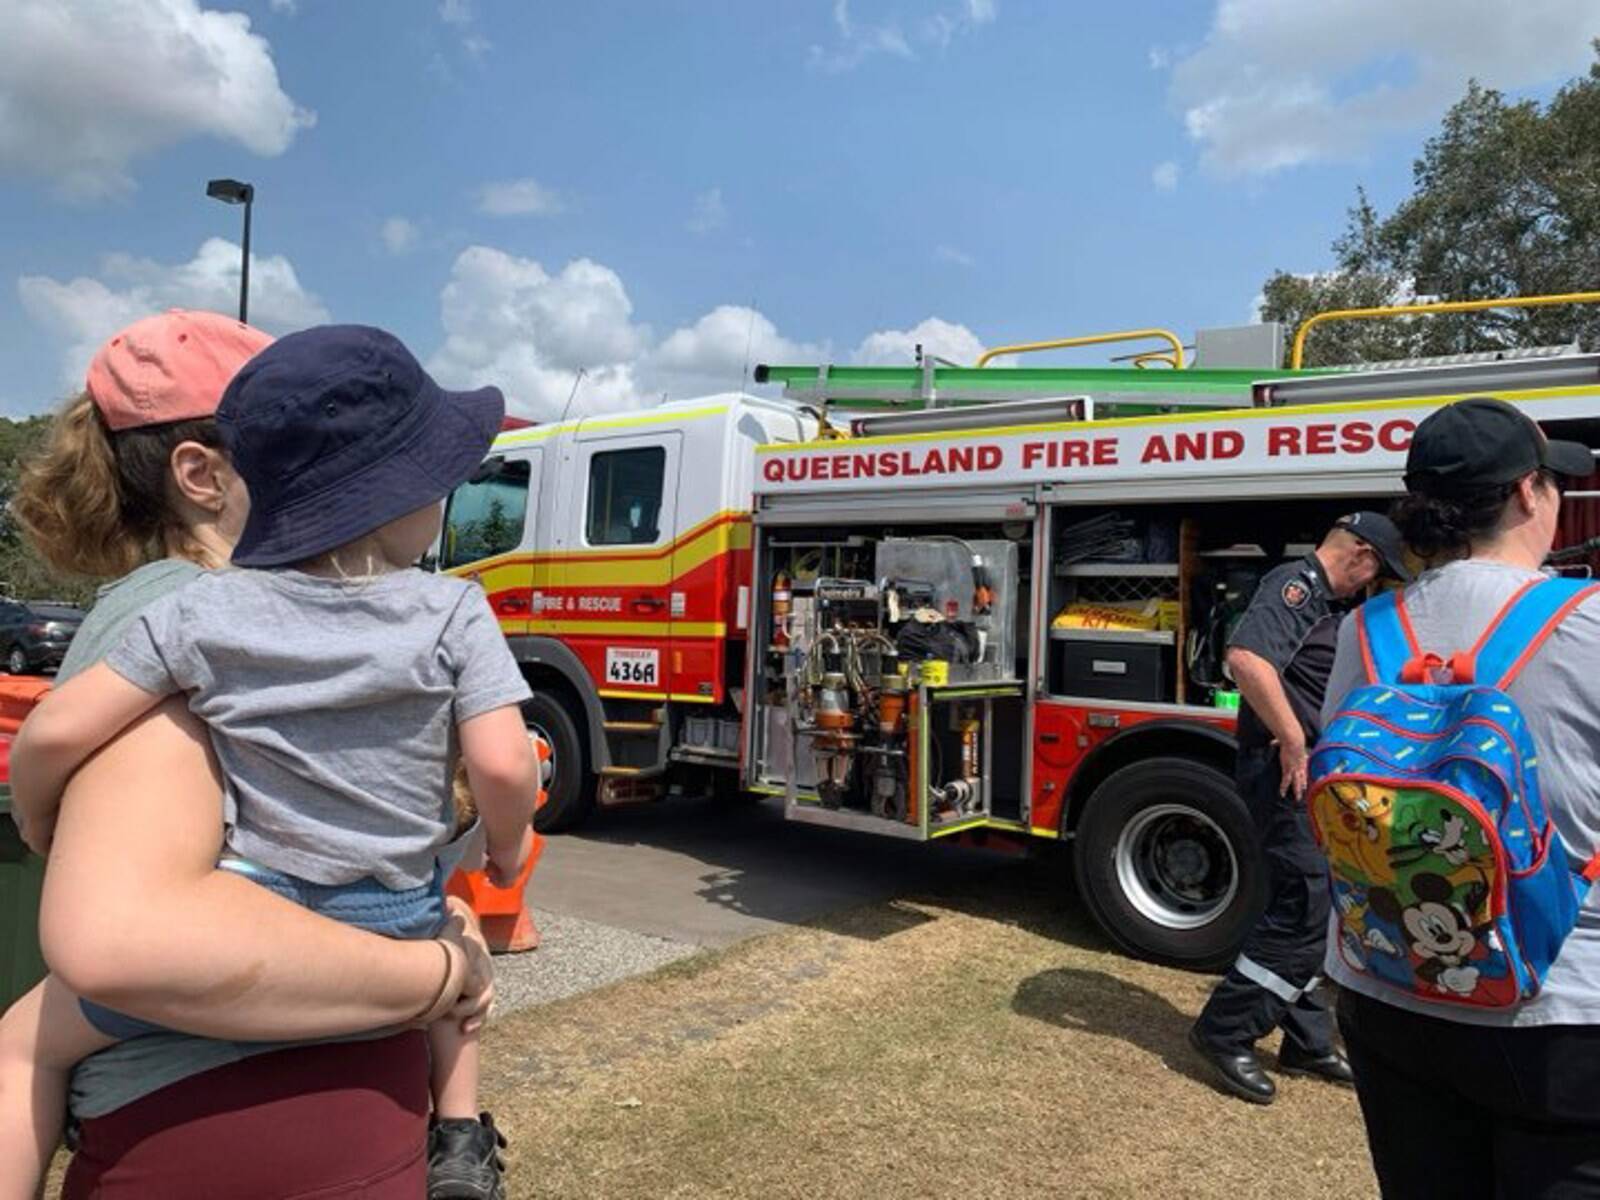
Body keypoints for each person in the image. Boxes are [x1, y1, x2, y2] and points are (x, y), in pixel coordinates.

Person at [5, 323, 537, 1200]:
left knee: (23, 1040)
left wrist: (34, 808)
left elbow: (56, 732)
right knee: (451, 925)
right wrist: (479, 909)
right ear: (199, 474)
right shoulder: (451, 610)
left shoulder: (195, 618)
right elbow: (507, 767)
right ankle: (460, 1136)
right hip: (384, 931)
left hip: (265, 904)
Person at [1323, 399, 1600, 1197]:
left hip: (1390, 988)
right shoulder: (1586, 621)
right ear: (1525, 493)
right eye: (1554, 483)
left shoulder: (1366, 629)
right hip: (1559, 1013)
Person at [1189, 511, 1411, 1104]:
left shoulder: (1324, 603)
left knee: (1324, 902)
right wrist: (1292, 739)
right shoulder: (1296, 585)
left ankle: (1307, 1039)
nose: (1371, 585)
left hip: (1314, 773)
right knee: (1305, 901)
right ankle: (1225, 1030)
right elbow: (1246, 659)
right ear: (1360, 554)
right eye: (1375, 572)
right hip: (1283, 770)